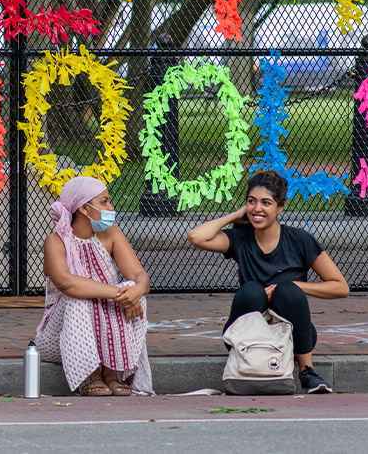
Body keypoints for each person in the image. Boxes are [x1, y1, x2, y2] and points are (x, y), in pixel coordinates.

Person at [187, 170, 349, 394]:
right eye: (251, 202)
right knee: (252, 291)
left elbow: (340, 286)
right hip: (250, 330)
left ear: (280, 207)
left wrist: (296, 285)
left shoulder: (299, 240)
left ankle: (307, 371)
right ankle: (244, 366)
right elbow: (196, 237)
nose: (257, 209)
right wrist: (236, 215)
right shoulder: (240, 238)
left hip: (291, 328)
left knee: (288, 292)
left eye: (266, 202)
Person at [35, 175, 153, 396]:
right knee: (78, 299)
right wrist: (119, 293)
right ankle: (89, 375)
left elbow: (139, 275)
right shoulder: (56, 241)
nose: (111, 207)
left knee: (136, 296)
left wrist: (136, 290)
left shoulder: (111, 234)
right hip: (59, 335)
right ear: (84, 209)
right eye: (104, 201)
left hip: (105, 321)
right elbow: (67, 284)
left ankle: (113, 372)